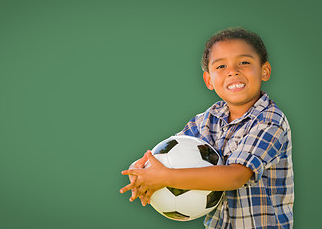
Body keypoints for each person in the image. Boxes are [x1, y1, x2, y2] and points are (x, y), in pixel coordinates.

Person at [120, 27, 294, 229]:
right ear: (209, 80)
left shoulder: (270, 120)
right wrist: (141, 170)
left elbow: (236, 176)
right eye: (221, 66)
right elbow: (172, 151)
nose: (233, 71)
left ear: (265, 70)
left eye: (244, 62)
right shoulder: (209, 118)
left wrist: (166, 177)